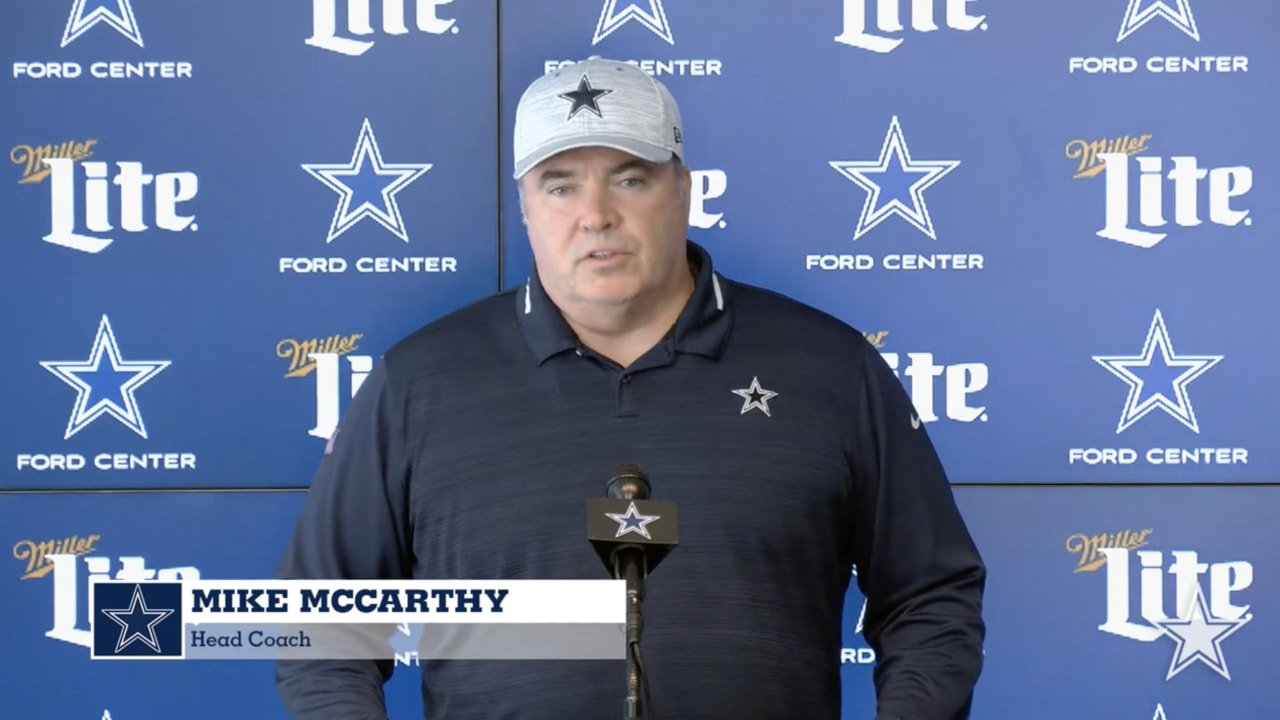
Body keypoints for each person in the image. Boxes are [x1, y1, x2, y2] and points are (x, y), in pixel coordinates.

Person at [274, 55, 986, 720]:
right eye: (560, 184)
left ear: (683, 187)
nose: (596, 215)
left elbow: (930, 597)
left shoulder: (831, 367)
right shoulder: (418, 382)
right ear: (525, 204)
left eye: (629, 178)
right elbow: (319, 618)